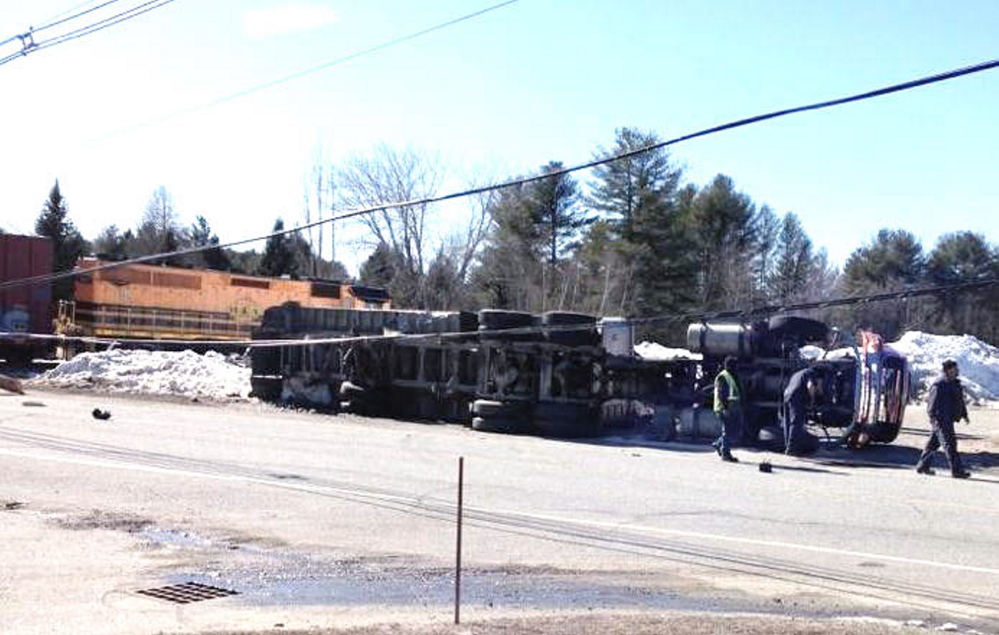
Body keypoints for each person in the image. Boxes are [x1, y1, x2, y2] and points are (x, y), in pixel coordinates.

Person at [916, 360, 971, 479]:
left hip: (948, 418)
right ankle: (957, 471)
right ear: (948, 370)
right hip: (941, 419)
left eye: (957, 369)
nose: (957, 371)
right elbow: (932, 404)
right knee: (950, 444)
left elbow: (959, 401)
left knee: (933, 444)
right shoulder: (939, 384)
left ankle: (922, 466)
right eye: (955, 369)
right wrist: (934, 419)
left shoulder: (955, 383)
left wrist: (964, 414)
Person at [782, 368, 821, 456]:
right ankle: (792, 449)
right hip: (797, 396)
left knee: (787, 422)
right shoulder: (811, 372)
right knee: (796, 422)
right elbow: (810, 386)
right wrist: (812, 400)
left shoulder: (797, 373)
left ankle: (787, 447)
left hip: (787, 394)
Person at [713, 356, 742, 463]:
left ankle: (719, 444)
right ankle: (725, 453)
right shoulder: (723, 376)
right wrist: (725, 408)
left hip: (733, 407)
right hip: (724, 408)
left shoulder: (732, 376)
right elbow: (721, 394)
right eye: (735, 365)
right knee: (727, 431)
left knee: (733, 431)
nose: (737, 367)